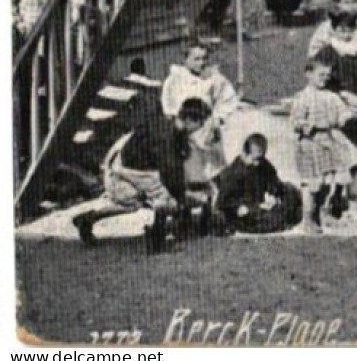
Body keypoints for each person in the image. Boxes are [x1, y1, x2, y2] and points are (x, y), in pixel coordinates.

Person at [73, 94, 212, 251]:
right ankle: (157, 241)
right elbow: (171, 175)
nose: (200, 128)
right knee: (166, 197)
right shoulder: (166, 138)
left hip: (121, 161)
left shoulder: (168, 122)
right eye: (200, 123)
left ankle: (87, 219)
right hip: (127, 169)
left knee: (131, 204)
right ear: (190, 120)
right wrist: (183, 199)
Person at [289, 57, 357, 235]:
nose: (325, 78)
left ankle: (323, 213)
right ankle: (308, 218)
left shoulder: (332, 96)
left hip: (331, 140)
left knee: (330, 180)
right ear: (308, 74)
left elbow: (342, 115)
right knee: (311, 183)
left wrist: (354, 112)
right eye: (320, 74)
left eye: (327, 75)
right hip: (312, 141)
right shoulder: (303, 97)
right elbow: (296, 121)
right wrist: (308, 125)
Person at [159, 42, 240, 187]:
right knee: (188, 169)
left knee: (213, 168)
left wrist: (217, 119)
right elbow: (168, 107)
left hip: (207, 130)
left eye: (204, 58)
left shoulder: (213, 78)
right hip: (185, 132)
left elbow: (227, 99)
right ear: (186, 59)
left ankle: (218, 192)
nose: (201, 63)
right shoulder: (174, 80)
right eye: (196, 59)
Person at [215, 134, 301, 234]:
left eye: (261, 158)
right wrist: (239, 207)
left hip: (260, 208)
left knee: (291, 191)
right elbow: (222, 203)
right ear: (244, 154)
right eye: (255, 159)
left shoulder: (264, 165)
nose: (258, 163)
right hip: (243, 213)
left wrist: (275, 197)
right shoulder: (233, 173)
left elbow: (276, 186)